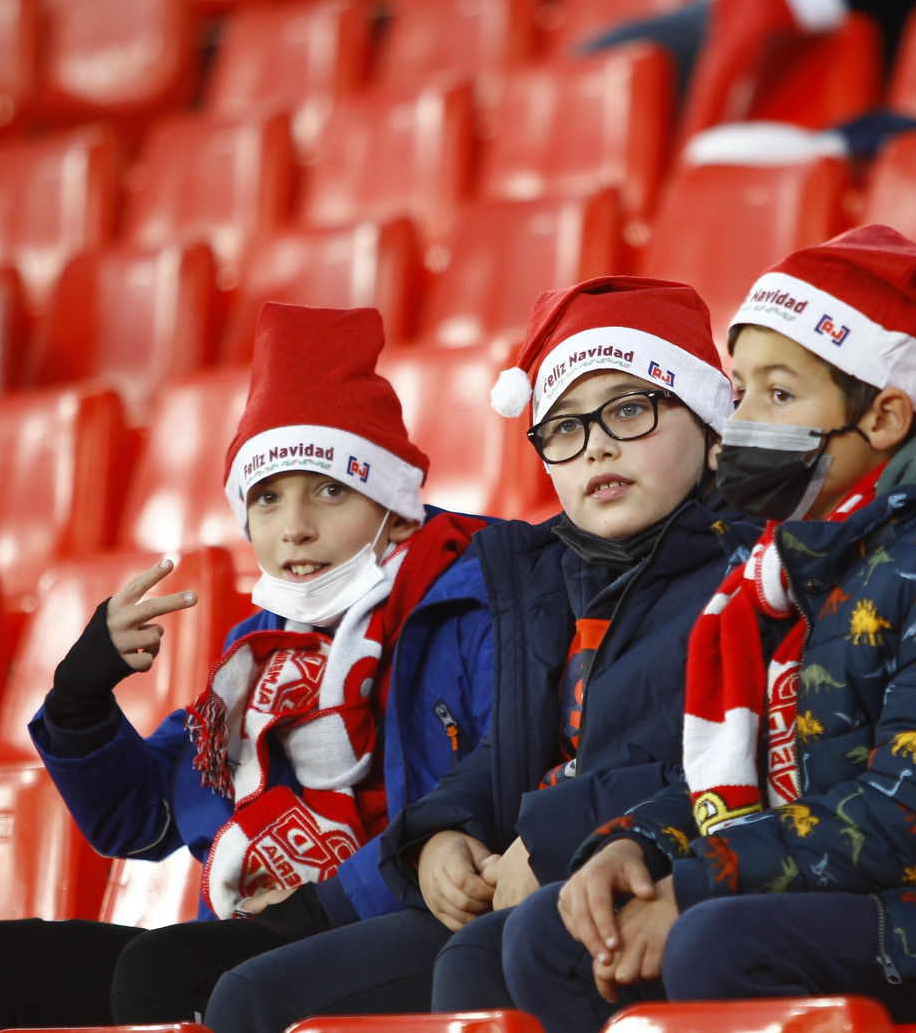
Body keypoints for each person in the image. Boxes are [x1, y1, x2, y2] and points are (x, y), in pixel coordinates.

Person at [503, 225, 916, 1028]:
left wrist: (700, 883)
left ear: (882, 417)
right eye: (738, 393)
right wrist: (635, 848)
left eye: (778, 395)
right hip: (881, 899)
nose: (741, 422)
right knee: (552, 933)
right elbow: (767, 779)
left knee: (716, 942)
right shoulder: (786, 570)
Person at [0, 303, 496, 1031]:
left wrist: (314, 903)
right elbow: (140, 817)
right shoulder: (257, 650)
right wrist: (80, 693)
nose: (294, 527)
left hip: (391, 921)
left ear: (396, 511)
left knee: (165, 973)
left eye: (330, 490)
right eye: (267, 499)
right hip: (245, 934)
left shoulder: (464, 606)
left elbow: (485, 789)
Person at [201, 277, 760, 1033]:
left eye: (630, 409)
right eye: (562, 426)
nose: (594, 442)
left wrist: (560, 839)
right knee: (251, 997)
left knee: (477, 961)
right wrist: (440, 834)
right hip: (529, 880)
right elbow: (506, 751)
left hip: (658, 874)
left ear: (712, 426)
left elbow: (733, 763)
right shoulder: (540, 579)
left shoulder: (755, 571)